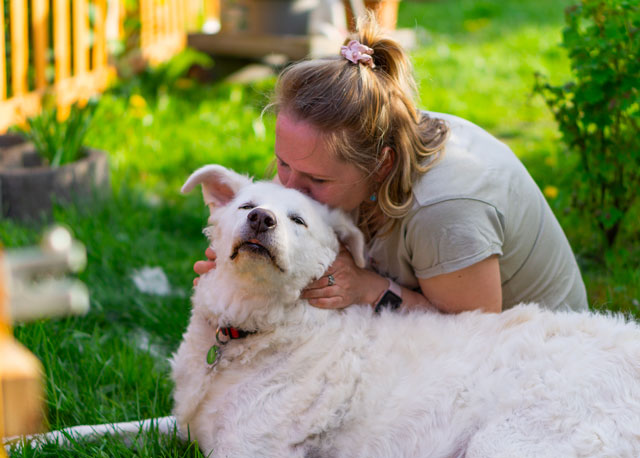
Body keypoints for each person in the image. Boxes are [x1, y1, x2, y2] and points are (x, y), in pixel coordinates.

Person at [194, 14, 587, 314]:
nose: (290, 190)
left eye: (316, 179)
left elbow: (474, 339)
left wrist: (368, 290)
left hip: (536, 360)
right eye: (283, 164)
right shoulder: (340, 141)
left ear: (382, 165)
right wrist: (246, 256)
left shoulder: (445, 209)